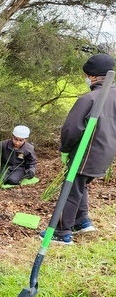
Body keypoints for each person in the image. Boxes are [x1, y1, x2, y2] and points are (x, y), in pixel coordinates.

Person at [41, 53, 116, 245]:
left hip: (87, 152)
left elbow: (71, 128)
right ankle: (81, 221)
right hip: (106, 153)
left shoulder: (90, 98)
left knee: (71, 188)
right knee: (79, 184)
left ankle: (61, 232)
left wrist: (65, 149)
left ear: (91, 76)